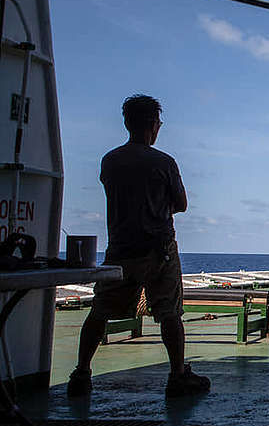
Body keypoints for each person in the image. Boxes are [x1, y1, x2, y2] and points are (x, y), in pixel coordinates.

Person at [67, 95, 210, 399]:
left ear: (126, 123)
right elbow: (181, 205)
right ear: (153, 126)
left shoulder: (110, 160)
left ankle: (81, 374)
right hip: (159, 249)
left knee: (99, 312)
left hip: (120, 249)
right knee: (169, 313)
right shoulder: (164, 163)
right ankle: (176, 376)